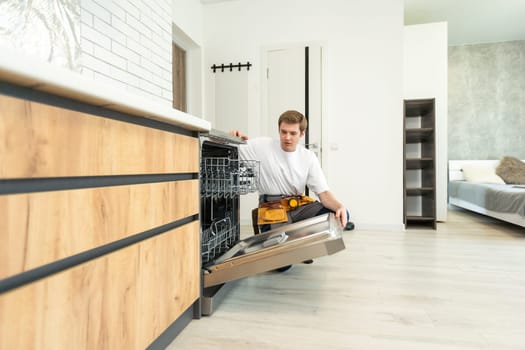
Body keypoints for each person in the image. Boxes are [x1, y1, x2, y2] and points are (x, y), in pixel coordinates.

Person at [231, 110, 354, 266]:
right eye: (283, 132)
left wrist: (340, 207)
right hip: (272, 209)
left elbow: (323, 194)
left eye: (293, 133)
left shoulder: (308, 157)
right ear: (279, 130)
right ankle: (293, 248)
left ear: (302, 134)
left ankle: (296, 246)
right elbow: (230, 148)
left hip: (299, 207)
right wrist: (231, 137)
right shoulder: (261, 146)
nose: (287, 137)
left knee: (339, 215)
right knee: (283, 265)